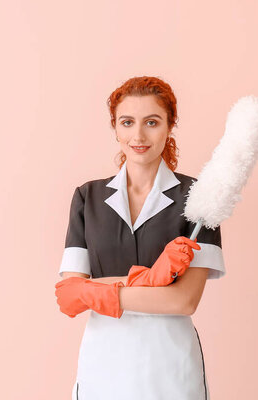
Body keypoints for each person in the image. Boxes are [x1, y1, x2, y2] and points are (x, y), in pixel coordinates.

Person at [54, 76, 225, 400]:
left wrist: (95, 290)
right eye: (127, 122)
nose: (138, 135)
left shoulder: (201, 199)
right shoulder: (86, 198)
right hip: (104, 359)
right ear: (115, 128)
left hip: (169, 363)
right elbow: (69, 296)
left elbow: (184, 301)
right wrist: (153, 280)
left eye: (152, 122)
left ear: (170, 125)